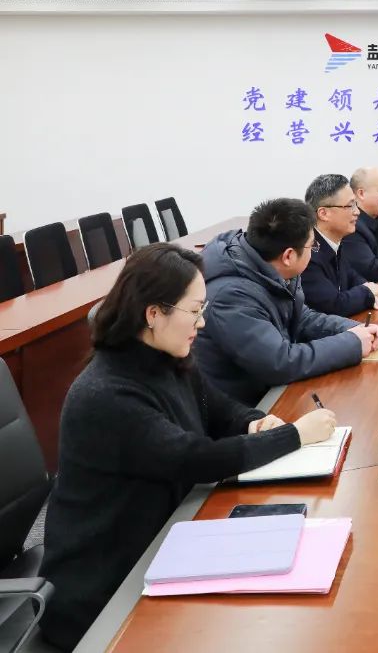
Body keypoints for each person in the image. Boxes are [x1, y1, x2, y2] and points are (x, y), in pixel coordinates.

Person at [39, 244, 339, 651]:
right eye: (195, 310)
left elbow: (218, 408)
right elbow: (194, 459)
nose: (202, 322)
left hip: (164, 539)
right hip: (106, 586)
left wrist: (254, 422)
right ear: (153, 314)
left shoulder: (167, 355)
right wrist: (294, 435)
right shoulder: (106, 394)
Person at [195, 198, 378, 406]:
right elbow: (279, 363)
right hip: (248, 408)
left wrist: (351, 329)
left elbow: (301, 317)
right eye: (312, 245)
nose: (314, 250)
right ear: (289, 256)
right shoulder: (231, 297)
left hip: (271, 391)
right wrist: (352, 344)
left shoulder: (274, 268)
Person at [301, 173, 378, 316]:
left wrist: (368, 288)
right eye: (350, 205)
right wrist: (367, 292)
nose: (357, 212)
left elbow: (351, 275)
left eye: (355, 204)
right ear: (324, 213)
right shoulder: (307, 252)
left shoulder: (334, 241)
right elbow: (334, 305)